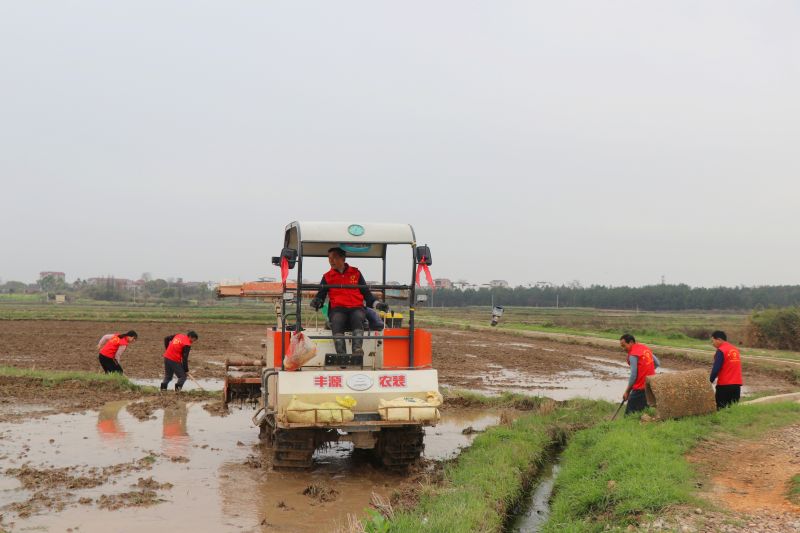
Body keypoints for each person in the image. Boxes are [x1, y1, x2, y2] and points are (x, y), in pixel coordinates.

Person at [310, 247, 387, 356]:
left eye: (334, 258)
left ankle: (357, 351)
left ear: (343, 259)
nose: (331, 261)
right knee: (337, 321)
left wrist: (378, 304)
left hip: (356, 307)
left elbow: (366, 294)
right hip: (338, 309)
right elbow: (321, 295)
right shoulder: (327, 277)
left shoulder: (356, 273)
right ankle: (342, 355)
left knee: (357, 317)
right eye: (329, 258)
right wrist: (317, 301)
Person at [619, 334, 660, 415]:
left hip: (640, 388)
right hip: (650, 384)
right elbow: (657, 363)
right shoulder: (644, 348)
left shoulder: (633, 354)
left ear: (631, 342)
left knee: (629, 414)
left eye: (624, 346)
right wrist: (646, 371)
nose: (623, 349)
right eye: (621, 347)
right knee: (643, 411)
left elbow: (633, 375)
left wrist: (627, 392)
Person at [709, 330, 743, 409]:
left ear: (719, 340)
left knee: (720, 409)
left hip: (724, 386)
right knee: (733, 410)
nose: (712, 344)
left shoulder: (721, 350)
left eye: (713, 341)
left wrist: (709, 381)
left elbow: (716, 369)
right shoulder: (735, 349)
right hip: (737, 386)